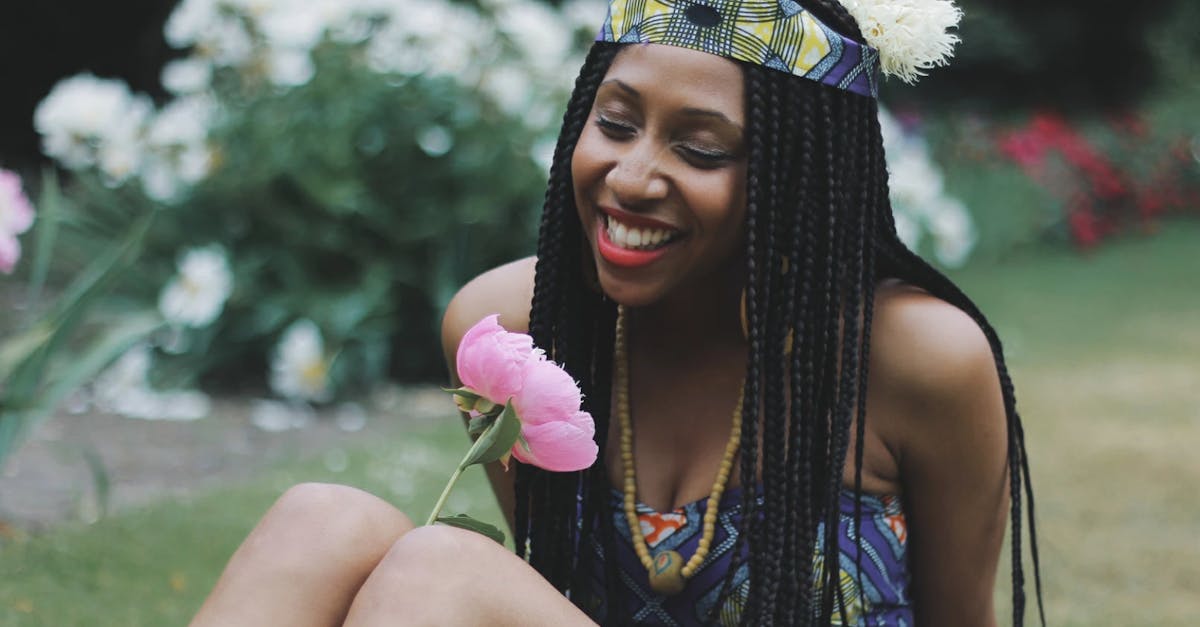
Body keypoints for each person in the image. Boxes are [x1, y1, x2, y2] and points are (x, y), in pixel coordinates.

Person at [191, 0, 1042, 625]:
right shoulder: (512, 330)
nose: (631, 177)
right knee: (323, 519)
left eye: (700, 148)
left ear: (797, 182)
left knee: (443, 568)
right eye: (617, 122)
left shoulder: (916, 357)